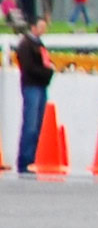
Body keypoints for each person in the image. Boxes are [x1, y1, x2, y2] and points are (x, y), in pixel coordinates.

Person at [14, 17, 54, 173]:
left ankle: (32, 159)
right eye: (41, 27)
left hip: (39, 86)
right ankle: (25, 161)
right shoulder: (26, 45)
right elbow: (29, 67)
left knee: (38, 125)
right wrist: (46, 72)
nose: (43, 30)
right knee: (30, 125)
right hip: (32, 86)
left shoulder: (39, 44)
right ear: (33, 27)